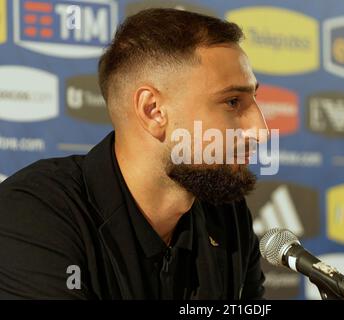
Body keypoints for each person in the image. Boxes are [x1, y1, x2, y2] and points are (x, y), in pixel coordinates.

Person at [0, 8, 268, 299]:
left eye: (253, 99)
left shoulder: (227, 216)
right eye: (232, 102)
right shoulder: (36, 215)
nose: (261, 130)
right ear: (153, 111)